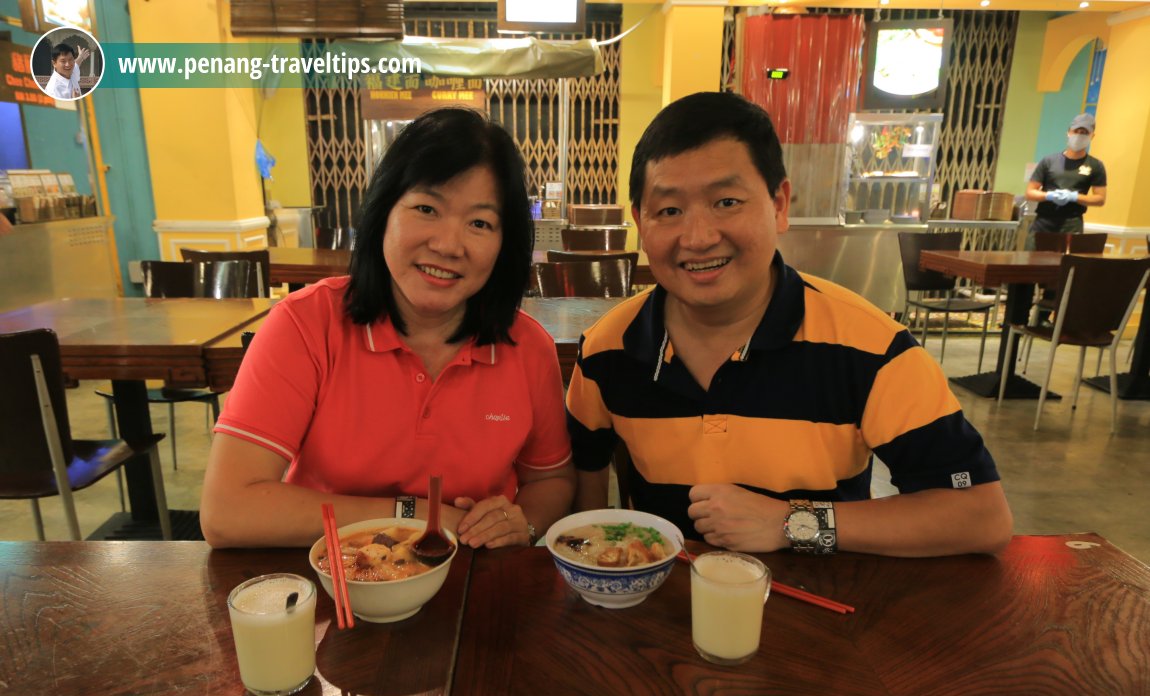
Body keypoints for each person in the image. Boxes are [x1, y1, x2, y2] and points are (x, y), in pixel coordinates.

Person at [565, 92, 1012, 558]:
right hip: (665, 605)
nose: (697, 238)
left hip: (823, 607)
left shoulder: (871, 348)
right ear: (640, 221)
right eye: (669, 211)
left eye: (726, 202)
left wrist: (791, 523)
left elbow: (980, 514)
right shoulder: (606, 349)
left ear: (779, 204)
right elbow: (584, 484)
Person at [202, 108, 575, 549]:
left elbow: (551, 480)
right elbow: (227, 511)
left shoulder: (527, 346)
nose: (448, 244)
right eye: (426, 208)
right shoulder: (305, 324)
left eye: (480, 223)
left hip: (472, 583)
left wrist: (523, 525)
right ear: (384, 213)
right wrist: (415, 516)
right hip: (336, 584)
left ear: (505, 244)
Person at [1024, 113, 1107, 248]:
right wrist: (1049, 195)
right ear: (1069, 132)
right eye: (1076, 131)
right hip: (1044, 222)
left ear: (1092, 136)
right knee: (1033, 264)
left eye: (1085, 132)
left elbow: (1100, 199)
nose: (1079, 135)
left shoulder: (1095, 165)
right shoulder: (1049, 161)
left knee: (1064, 265)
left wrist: (1074, 197)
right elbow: (1030, 192)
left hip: (1072, 223)